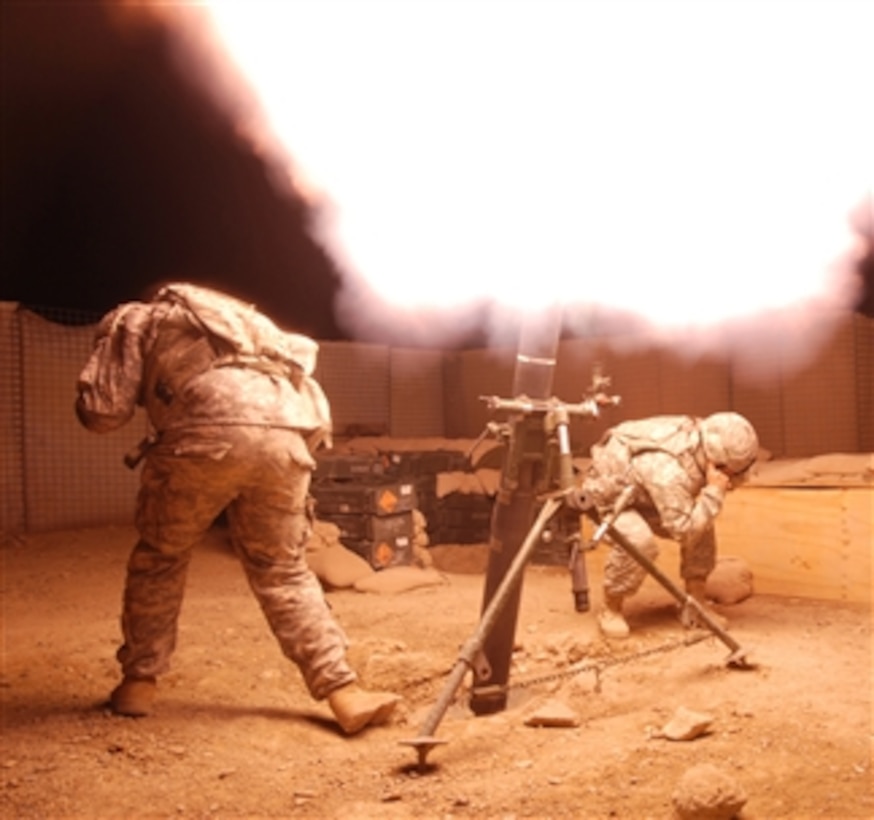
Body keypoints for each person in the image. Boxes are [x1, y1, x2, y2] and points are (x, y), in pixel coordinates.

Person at [75, 282, 400, 734]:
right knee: (284, 569)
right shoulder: (253, 327)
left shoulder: (140, 318)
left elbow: (102, 412)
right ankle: (342, 692)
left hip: (205, 434)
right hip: (289, 436)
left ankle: (138, 684)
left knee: (161, 557)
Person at [576, 412, 759, 639]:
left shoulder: (699, 441)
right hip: (612, 498)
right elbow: (682, 529)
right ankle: (611, 607)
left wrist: (709, 498)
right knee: (638, 541)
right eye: (733, 472)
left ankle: (695, 605)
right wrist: (713, 493)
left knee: (702, 524)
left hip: (645, 493)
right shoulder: (669, 472)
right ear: (717, 464)